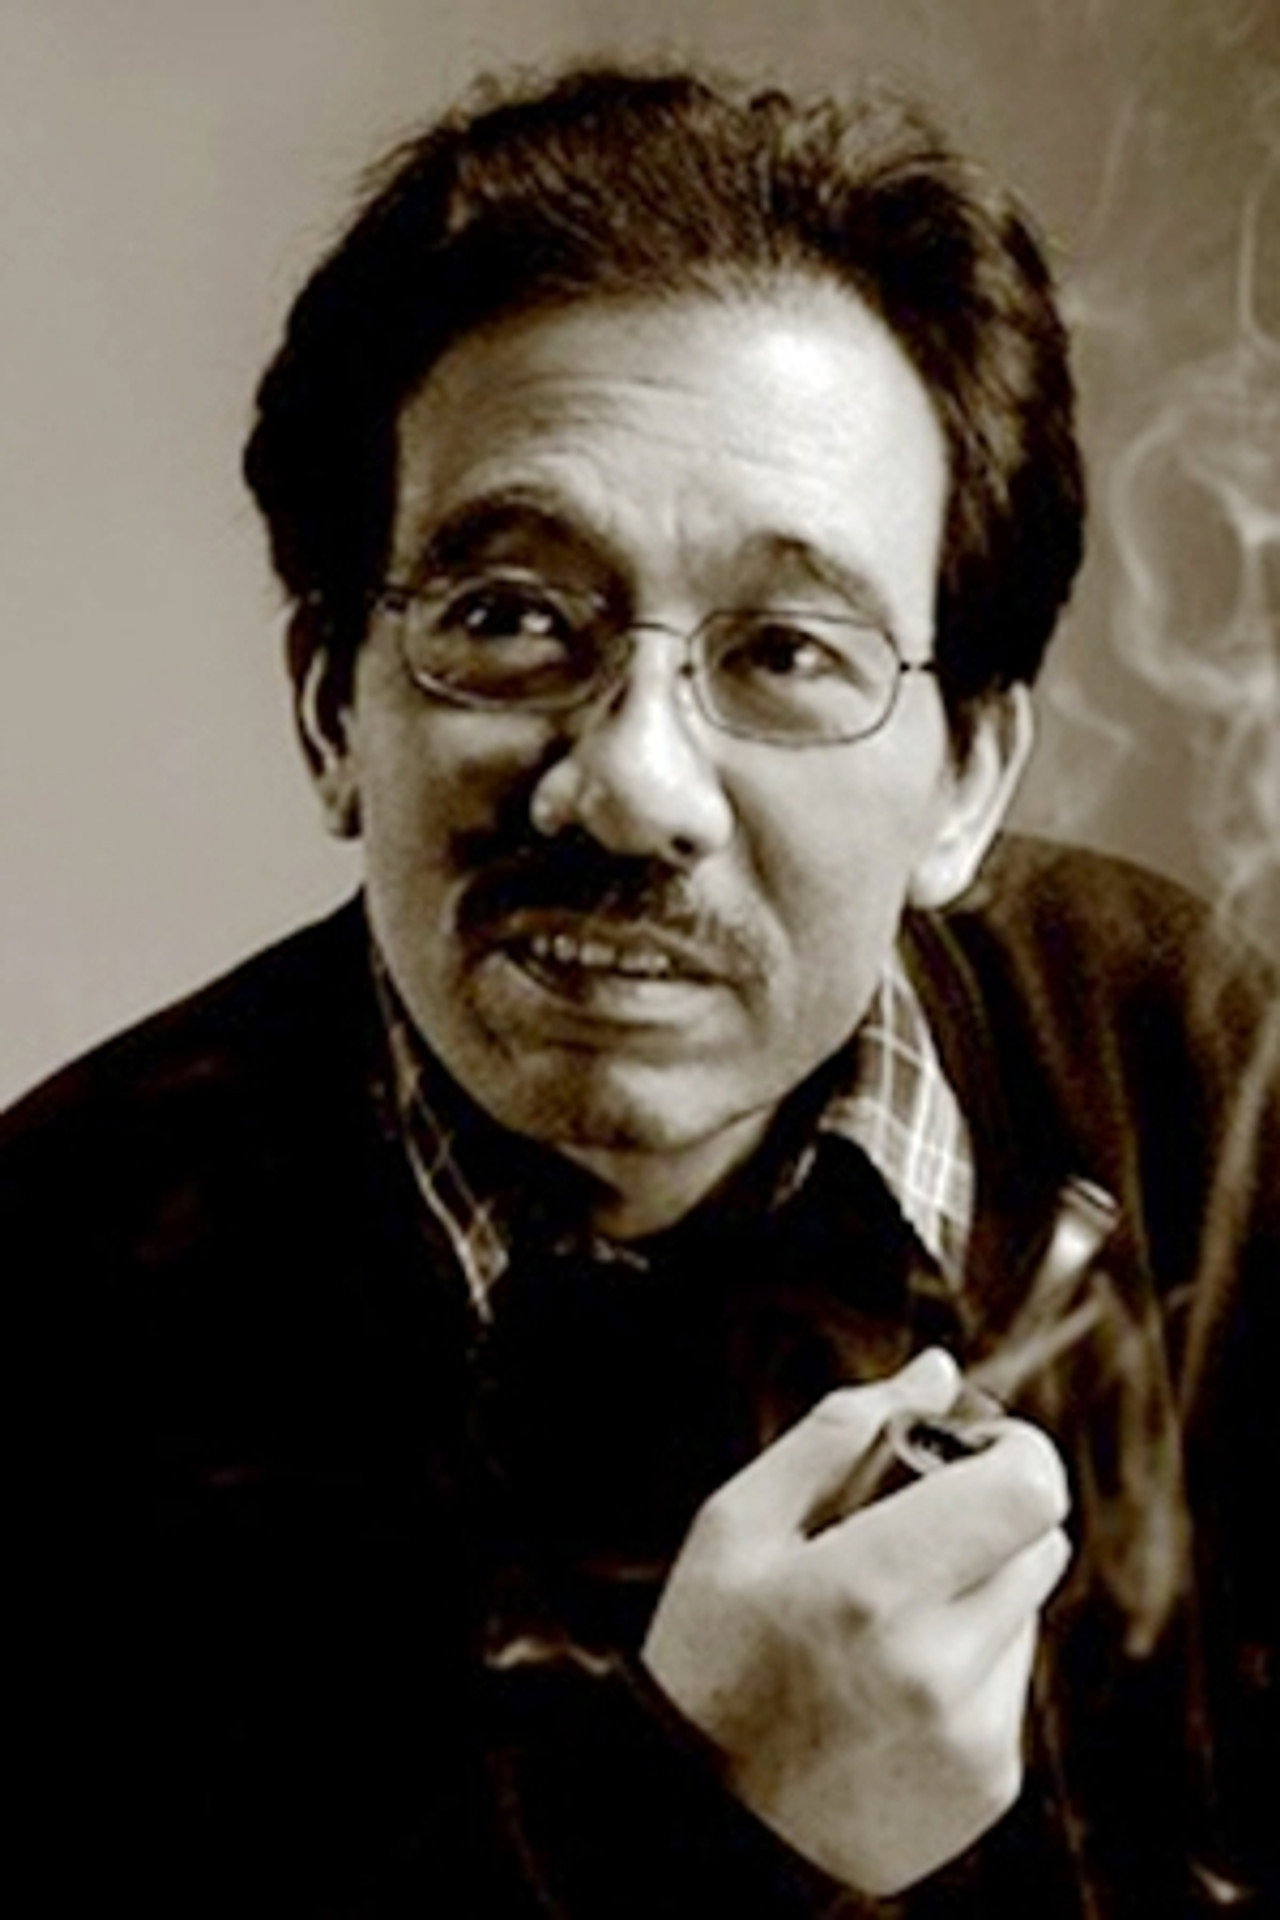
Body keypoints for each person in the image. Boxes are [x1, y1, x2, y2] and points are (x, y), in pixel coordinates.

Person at [4, 61, 1276, 1918]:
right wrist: (702, 1833)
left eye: (786, 652)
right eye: (512, 620)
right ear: (332, 708)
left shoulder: (1192, 1063)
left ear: (967, 780)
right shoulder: (48, 1315)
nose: (631, 789)